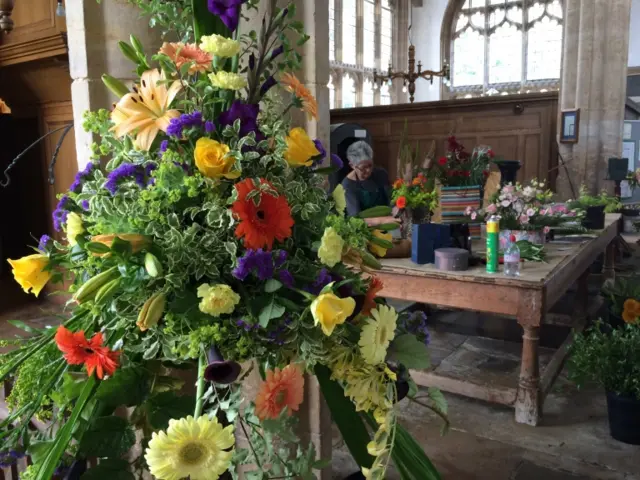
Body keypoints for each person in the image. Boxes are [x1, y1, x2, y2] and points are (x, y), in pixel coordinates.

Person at [341, 141, 397, 226]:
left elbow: (391, 199)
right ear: (352, 165)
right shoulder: (348, 185)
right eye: (363, 168)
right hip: (365, 229)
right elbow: (355, 219)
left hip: (389, 223)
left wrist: (396, 208)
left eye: (370, 165)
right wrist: (382, 220)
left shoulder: (381, 174)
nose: (368, 170)